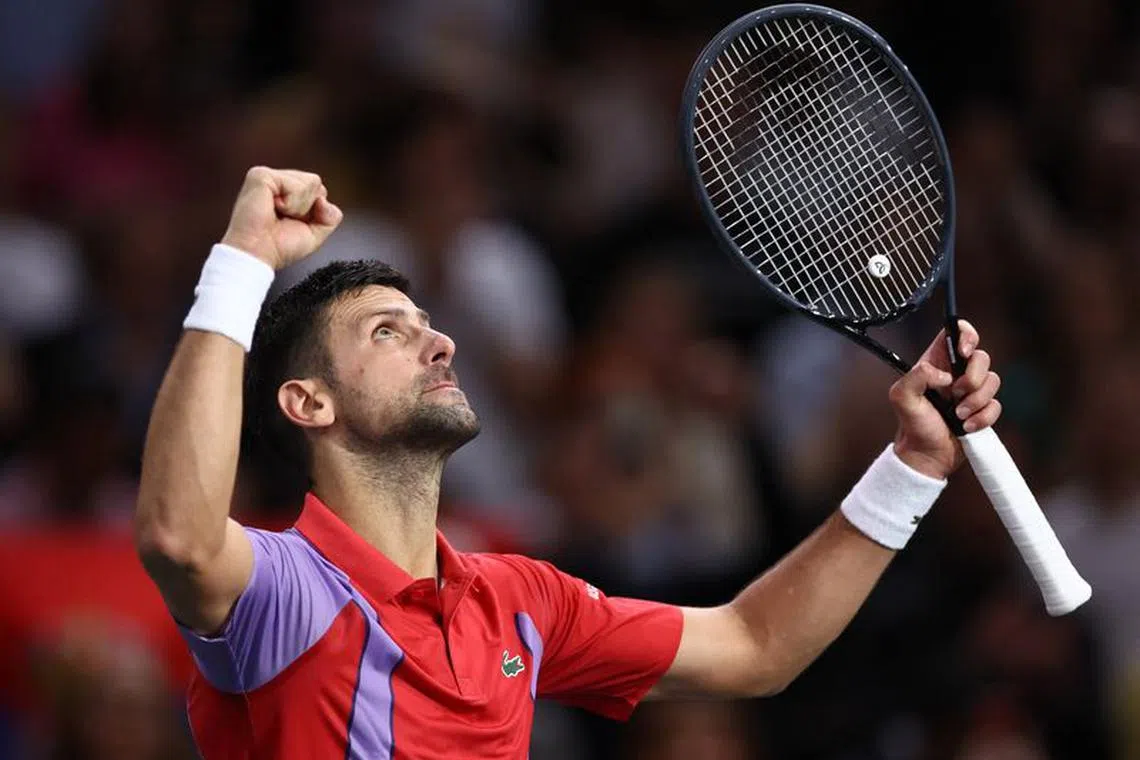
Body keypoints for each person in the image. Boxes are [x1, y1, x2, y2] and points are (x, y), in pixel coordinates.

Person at [134, 167, 1003, 759]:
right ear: (309, 403)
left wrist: (914, 466)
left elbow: (753, 646)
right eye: (387, 332)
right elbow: (178, 533)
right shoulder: (288, 590)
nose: (439, 341)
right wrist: (243, 263)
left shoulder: (521, 604)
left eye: (428, 323)